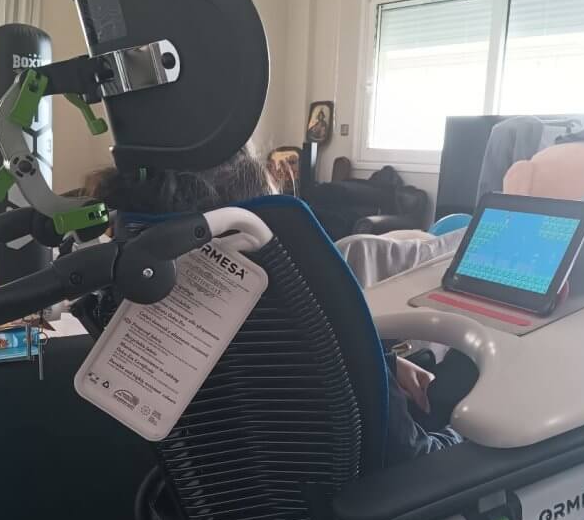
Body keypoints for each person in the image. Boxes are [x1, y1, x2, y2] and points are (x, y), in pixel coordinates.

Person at [82, 146, 461, 464]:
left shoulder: (145, 310)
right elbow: (411, 457)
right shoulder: (303, 319)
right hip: (356, 503)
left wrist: (381, 363)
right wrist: (461, 435)